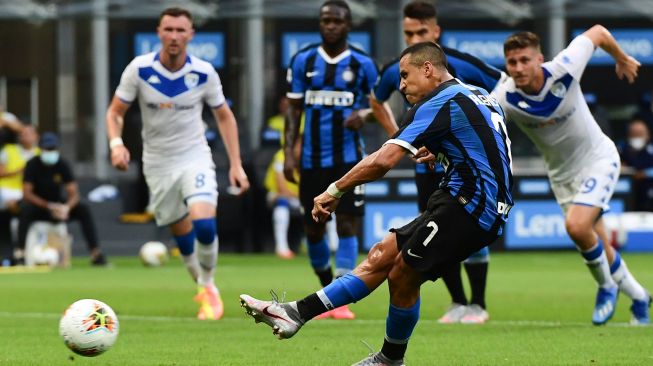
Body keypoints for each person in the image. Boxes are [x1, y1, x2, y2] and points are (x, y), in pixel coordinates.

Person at [241, 42, 513, 365]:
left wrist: (335, 190)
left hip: (471, 204)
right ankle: (295, 313)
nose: (400, 86)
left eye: (404, 75)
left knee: (402, 275)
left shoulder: (436, 102)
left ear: (428, 69)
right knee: (382, 254)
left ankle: (389, 360)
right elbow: (484, 142)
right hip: (470, 199)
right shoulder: (477, 94)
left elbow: (383, 161)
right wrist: (442, 151)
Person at [491, 26, 651, 325]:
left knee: (577, 227)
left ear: (540, 58)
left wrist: (622, 57)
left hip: (598, 159)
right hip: (562, 177)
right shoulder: (505, 97)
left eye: (525, 60)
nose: (519, 68)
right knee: (598, 242)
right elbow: (481, 124)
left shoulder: (565, 66)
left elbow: (599, 33)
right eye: (512, 63)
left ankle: (606, 287)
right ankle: (640, 297)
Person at [105, 7, 250, 320]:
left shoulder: (204, 73)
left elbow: (224, 116)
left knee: (203, 220)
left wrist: (236, 165)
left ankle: (209, 286)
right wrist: (116, 144)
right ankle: (201, 286)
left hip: (194, 156)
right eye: (168, 29)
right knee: (182, 234)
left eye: (180, 30)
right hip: (157, 163)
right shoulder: (139, 69)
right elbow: (115, 112)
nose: (174, 36)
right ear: (159, 32)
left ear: (191, 35)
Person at [370, 0, 505, 324]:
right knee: (433, 229)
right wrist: (400, 139)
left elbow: (502, 87)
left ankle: (479, 303)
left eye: (421, 31)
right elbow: (376, 100)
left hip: (466, 170)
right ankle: (458, 301)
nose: (414, 38)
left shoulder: (461, 65)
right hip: (426, 166)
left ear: (436, 31)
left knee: (466, 228)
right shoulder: (396, 69)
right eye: (408, 32)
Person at [283, 0, 395, 319]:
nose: (330, 26)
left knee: (347, 224)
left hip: (348, 160)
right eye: (325, 20)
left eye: (337, 21)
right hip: (310, 160)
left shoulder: (362, 63)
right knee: (314, 229)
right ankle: (325, 290)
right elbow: (292, 111)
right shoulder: (303, 60)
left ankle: (339, 298)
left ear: (348, 25)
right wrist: (289, 153)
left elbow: (381, 108)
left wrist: (363, 114)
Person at [15, 132, 107, 266]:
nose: (50, 152)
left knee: (83, 210)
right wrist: (48, 206)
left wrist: (66, 207)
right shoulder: (32, 164)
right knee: (25, 211)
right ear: (41, 149)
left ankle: (95, 253)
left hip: (58, 208)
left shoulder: (62, 165)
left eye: (53, 149)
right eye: (47, 149)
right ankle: (21, 254)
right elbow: (27, 194)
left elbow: (74, 193)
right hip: (40, 207)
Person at [0, 125, 39, 212]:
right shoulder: (8, 150)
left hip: (32, 191)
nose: (26, 136)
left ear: (36, 136)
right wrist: (18, 171)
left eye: (29, 134)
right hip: (8, 190)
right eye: (23, 134)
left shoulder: (40, 153)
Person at [618, 119, 653, 211]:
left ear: (648, 135)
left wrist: (644, 174)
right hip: (628, 198)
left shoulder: (651, 151)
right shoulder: (622, 150)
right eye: (634, 134)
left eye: (640, 134)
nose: (637, 137)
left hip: (648, 195)